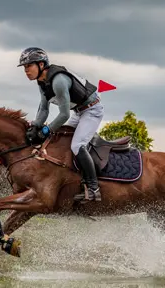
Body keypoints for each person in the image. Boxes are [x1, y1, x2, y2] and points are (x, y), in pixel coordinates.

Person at [18, 47, 103, 202]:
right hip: (78, 112)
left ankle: (93, 188)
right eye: (24, 67)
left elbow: (64, 115)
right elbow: (44, 109)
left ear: (41, 65)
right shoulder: (42, 82)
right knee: (61, 142)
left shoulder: (58, 81)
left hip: (92, 111)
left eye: (28, 66)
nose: (26, 70)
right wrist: (36, 125)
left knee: (77, 145)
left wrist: (47, 130)